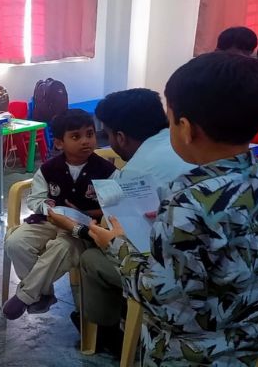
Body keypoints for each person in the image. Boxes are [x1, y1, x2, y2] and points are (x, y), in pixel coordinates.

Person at [86, 52, 258, 365]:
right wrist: (174, 226)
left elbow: (165, 303)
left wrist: (117, 247)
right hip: (247, 343)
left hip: (186, 355)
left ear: (186, 128)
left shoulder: (186, 203)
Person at [49, 88, 194, 356]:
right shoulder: (185, 145)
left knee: (92, 258)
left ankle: (107, 333)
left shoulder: (135, 173)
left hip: (175, 279)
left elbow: (121, 236)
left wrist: (79, 226)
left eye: (101, 133)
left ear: (120, 137)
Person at [2, 109, 117, 320]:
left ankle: (27, 296)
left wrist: (83, 213)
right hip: (48, 221)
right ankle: (43, 294)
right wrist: (50, 209)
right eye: (76, 136)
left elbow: (114, 208)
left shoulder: (106, 171)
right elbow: (35, 200)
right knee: (15, 242)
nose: (85, 141)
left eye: (90, 134)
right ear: (58, 143)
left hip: (82, 229)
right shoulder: (48, 169)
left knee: (62, 247)